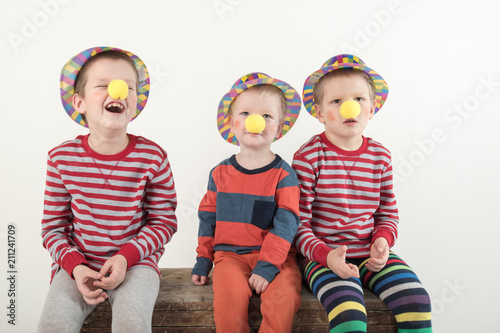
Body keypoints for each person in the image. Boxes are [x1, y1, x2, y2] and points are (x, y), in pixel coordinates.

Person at [38, 46, 178, 333]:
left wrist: (126, 257)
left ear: (135, 102)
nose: (117, 92)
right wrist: (75, 266)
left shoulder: (153, 157)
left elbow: (164, 220)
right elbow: (52, 228)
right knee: (53, 326)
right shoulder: (61, 158)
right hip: (77, 264)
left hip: (136, 264)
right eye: (103, 85)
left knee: (132, 325)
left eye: (127, 87)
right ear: (80, 102)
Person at [293, 54, 432, 332]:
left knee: (417, 301)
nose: (349, 108)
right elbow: (297, 224)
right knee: (350, 315)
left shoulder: (380, 156)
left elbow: (387, 213)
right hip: (324, 258)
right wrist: (325, 255)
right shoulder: (308, 158)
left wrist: (382, 240)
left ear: (372, 108)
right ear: (319, 112)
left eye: (358, 99)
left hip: (370, 254)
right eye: (336, 101)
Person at [191, 73, 302, 332]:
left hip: (277, 259)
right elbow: (208, 219)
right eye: (246, 114)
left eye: (267, 116)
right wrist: (204, 259)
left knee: (284, 298)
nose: (256, 122)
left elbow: (286, 223)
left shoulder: (284, 175)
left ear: (279, 126)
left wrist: (267, 266)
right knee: (228, 305)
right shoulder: (219, 174)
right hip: (229, 257)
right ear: (232, 124)